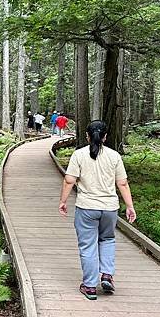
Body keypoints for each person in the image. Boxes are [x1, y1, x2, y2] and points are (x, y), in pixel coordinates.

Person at [58, 120, 136, 300]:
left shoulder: (79, 155)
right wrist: (130, 206)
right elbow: (122, 183)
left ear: (87, 136)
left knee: (88, 245)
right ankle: (107, 274)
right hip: (109, 208)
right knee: (107, 239)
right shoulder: (114, 156)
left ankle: (90, 286)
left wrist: (63, 201)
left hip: (86, 207)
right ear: (105, 137)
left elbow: (69, 180)